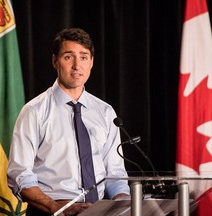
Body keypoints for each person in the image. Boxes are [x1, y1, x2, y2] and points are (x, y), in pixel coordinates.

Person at [7, 27, 130, 216]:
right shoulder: (35, 111)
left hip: (97, 212)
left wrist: (124, 204)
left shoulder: (105, 112)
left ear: (91, 62)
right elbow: (20, 174)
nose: (76, 65)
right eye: (68, 57)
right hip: (49, 212)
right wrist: (58, 209)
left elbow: (115, 173)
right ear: (55, 61)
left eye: (83, 57)